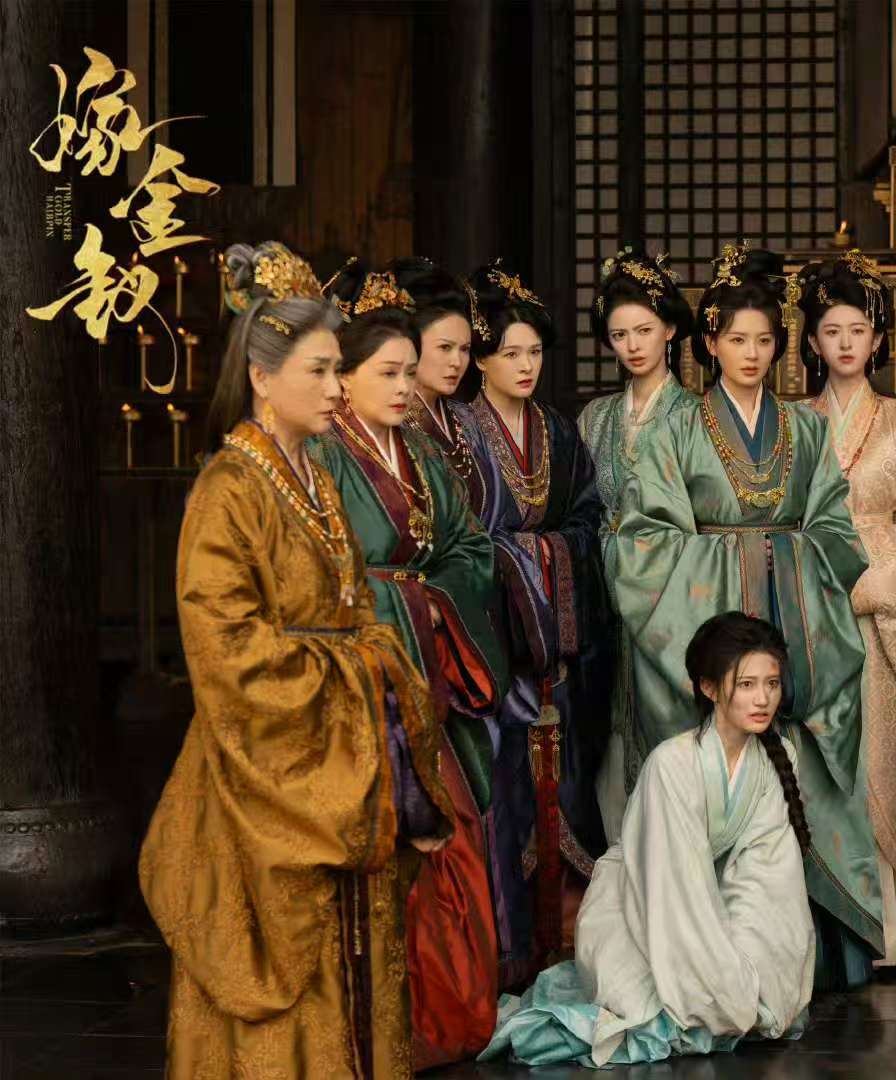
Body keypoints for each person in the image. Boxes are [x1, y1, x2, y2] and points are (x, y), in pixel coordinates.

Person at [140, 242, 453, 1079]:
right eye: (319, 370)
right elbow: (227, 652)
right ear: (262, 377)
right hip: (265, 775)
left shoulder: (314, 480)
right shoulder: (228, 489)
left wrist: (373, 664)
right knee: (277, 983)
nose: (335, 388)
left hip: (342, 767)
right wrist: (358, 676)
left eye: (336, 370)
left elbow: (357, 616)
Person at [610, 243, 884, 988]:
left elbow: (835, 530)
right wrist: (743, 561)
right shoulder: (674, 432)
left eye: (764, 340)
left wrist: (783, 560)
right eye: (737, 339)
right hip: (712, 628)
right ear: (709, 344)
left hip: (797, 631)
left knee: (804, 776)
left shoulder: (807, 431)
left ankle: (811, 956)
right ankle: (709, 959)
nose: (752, 354)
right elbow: (644, 542)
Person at [311, 261, 509, 1069]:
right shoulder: (323, 460)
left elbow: (470, 548)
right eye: (386, 373)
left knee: (453, 836)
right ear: (345, 376)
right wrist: (403, 604)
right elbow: (321, 575)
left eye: (406, 372)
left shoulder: (422, 454)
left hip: (428, 671)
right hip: (364, 685)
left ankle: (445, 1016)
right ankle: (385, 1022)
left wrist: (433, 602)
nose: (403, 388)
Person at [479, 612, 816, 1068]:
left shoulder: (778, 758)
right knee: (654, 1010)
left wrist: (746, 966)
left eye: (772, 684)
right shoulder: (672, 765)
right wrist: (726, 986)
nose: (763, 699)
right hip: (635, 907)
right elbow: (675, 887)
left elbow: (766, 877)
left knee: (760, 991)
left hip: (708, 903)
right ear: (709, 688)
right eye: (746, 684)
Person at [798, 249, 896, 964]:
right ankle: (837, 928)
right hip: (814, 616)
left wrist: (862, 557)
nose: (845, 344)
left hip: (886, 623)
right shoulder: (795, 423)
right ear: (812, 341)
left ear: (879, 338)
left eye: (857, 331)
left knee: (886, 765)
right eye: (831, 331)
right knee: (822, 769)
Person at [465, 260, 613, 983]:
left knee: (569, 784)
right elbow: (464, 542)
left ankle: (568, 939)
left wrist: (545, 554)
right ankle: (511, 945)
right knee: (506, 787)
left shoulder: (558, 429)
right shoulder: (460, 434)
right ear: (480, 360)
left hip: (559, 649)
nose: (525, 367)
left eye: (534, 353)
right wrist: (522, 559)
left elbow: (587, 517)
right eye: (509, 353)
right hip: (501, 648)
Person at [576, 245, 697, 842]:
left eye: (645, 330)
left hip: (669, 600)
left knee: (669, 731)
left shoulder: (695, 416)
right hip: (602, 598)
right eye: (620, 334)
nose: (632, 346)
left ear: (669, 329)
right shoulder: (594, 417)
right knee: (606, 738)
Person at [393, 256, 498, 517]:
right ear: (410, 343)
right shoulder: (391, 418)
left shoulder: (467, 418)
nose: (457, 362)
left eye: (464, 349)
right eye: (444, 347)